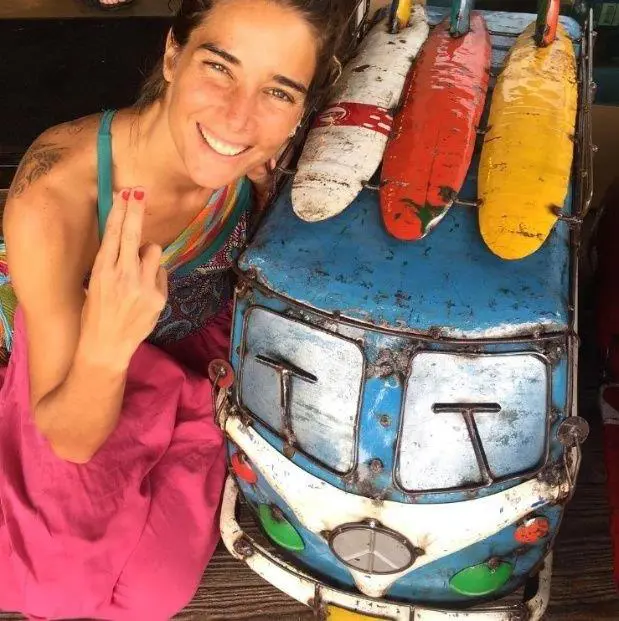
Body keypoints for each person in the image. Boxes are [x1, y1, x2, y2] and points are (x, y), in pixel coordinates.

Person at [0, 0, 354, 619]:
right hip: (77, 360)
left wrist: (271, 201)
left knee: (153, 592)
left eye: (277, 91)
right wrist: (106, 349)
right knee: (51, 582)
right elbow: (69, 436)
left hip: (192, 351)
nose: (237, 117)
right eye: (220, 68)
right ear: (173, 54)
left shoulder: (270, 156)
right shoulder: (56, 195)